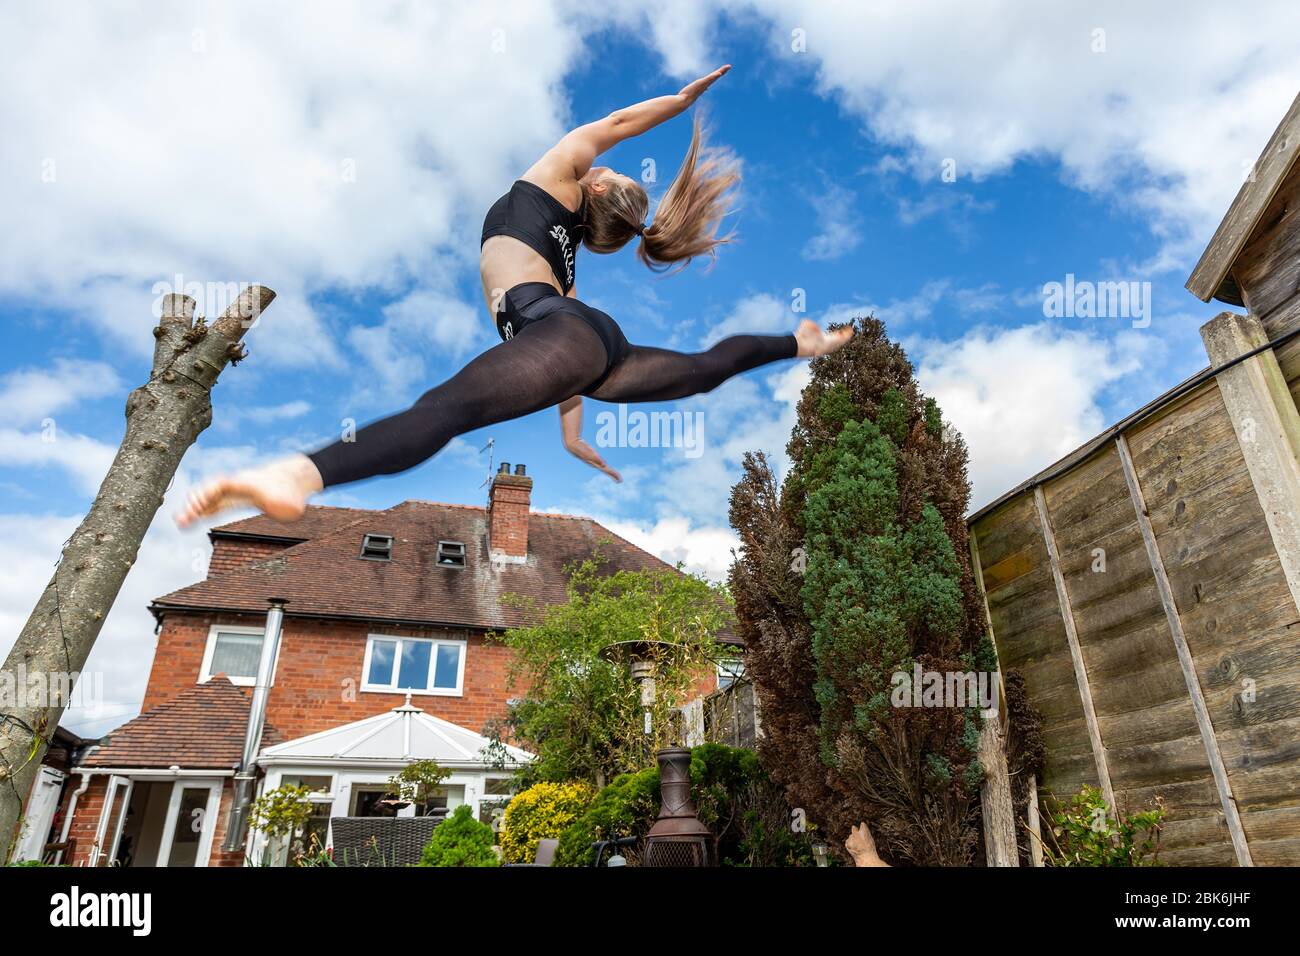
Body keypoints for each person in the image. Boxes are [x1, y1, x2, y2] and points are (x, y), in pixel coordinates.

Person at [176, 65, 852, 528]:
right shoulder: (567, 260)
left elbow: (618, 121)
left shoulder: (558, 177)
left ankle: (299, 474)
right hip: (586, 342)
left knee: (449, 408)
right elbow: (569, 364)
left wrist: (678, 103)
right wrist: (573, 432)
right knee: (705, 369)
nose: (600, 161)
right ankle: (803, 343)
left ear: (594, 189)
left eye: (605, 170)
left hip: (565, 333)